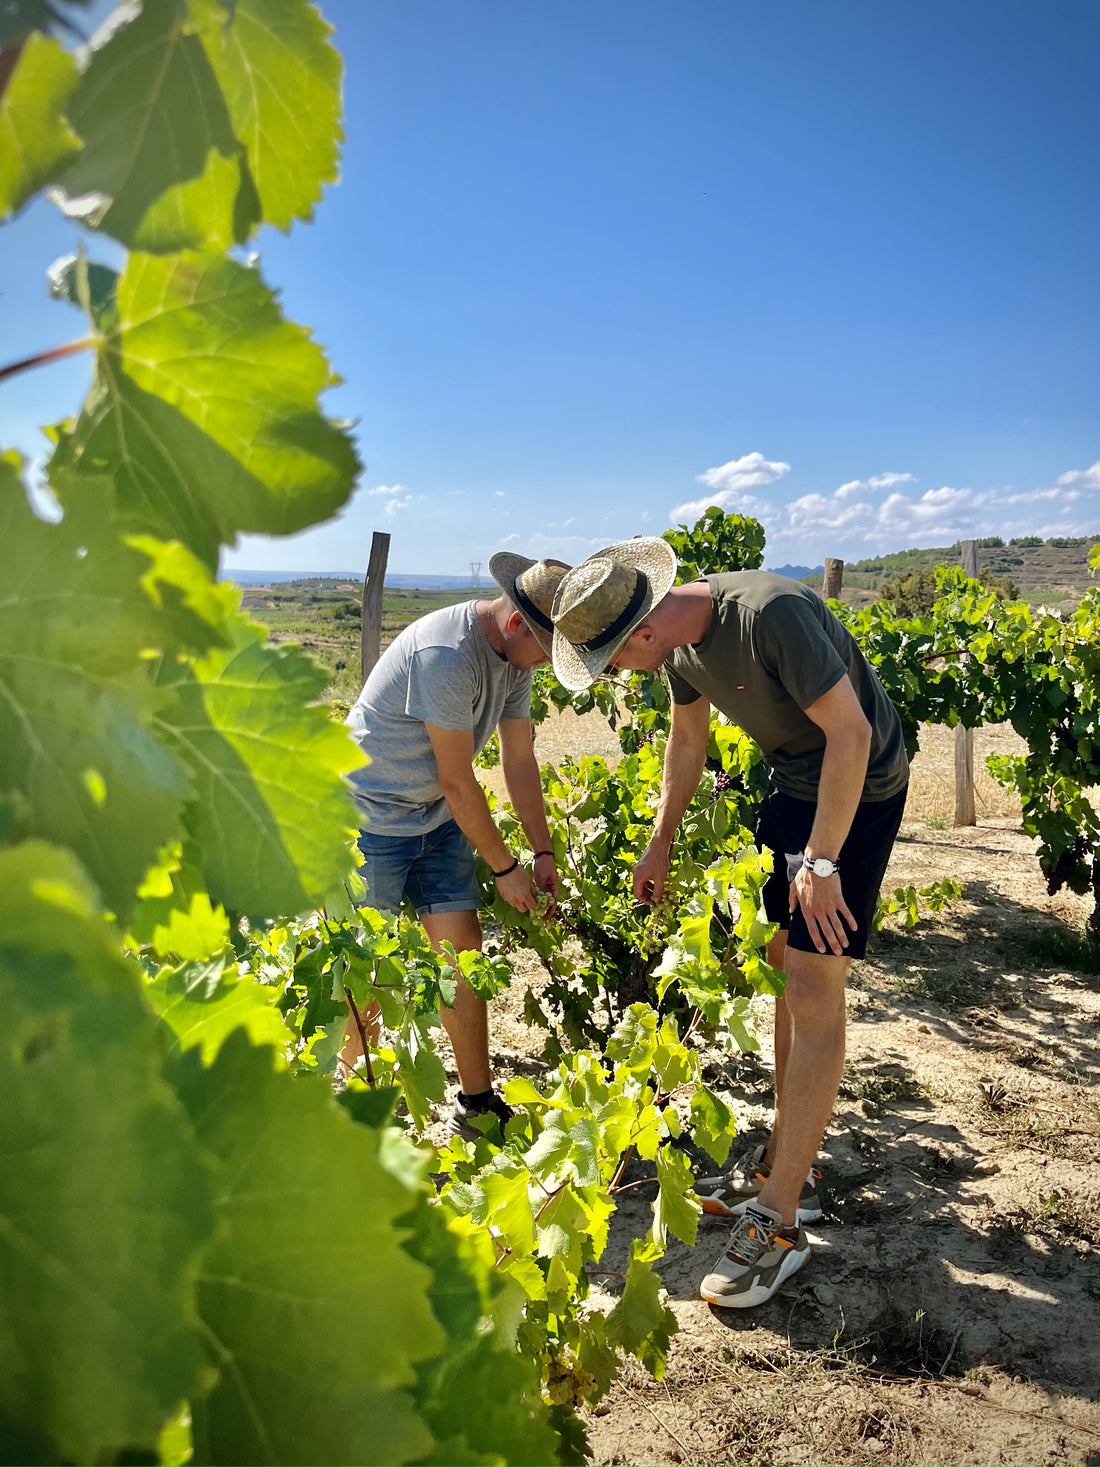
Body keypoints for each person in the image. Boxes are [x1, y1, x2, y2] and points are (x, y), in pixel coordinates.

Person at [550, 538, 909, 1307]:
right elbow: (688, 742)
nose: (615, 674)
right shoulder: (679, 646)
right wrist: (659, 840)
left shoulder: (768, 615)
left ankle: (778, 1222)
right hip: (793, 784)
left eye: (612, 661)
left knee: (814, 984)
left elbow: (853, 735)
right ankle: (793, 1166)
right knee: (781, 965)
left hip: (860, 788)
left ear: (639, 631)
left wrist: (821, 861)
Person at [343, 553, 569, 1137]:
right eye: (549, 650)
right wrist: (505, 868)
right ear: (519, 624)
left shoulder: (515, 661)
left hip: (435, 820)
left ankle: (476, 1102)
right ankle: (344, 1110)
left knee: (461, 958)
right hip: (366, 822)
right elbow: (458, 779)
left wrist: (541, 854)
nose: (546, 665)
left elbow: (520, 761)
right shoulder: (447, 655)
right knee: (366, 973)